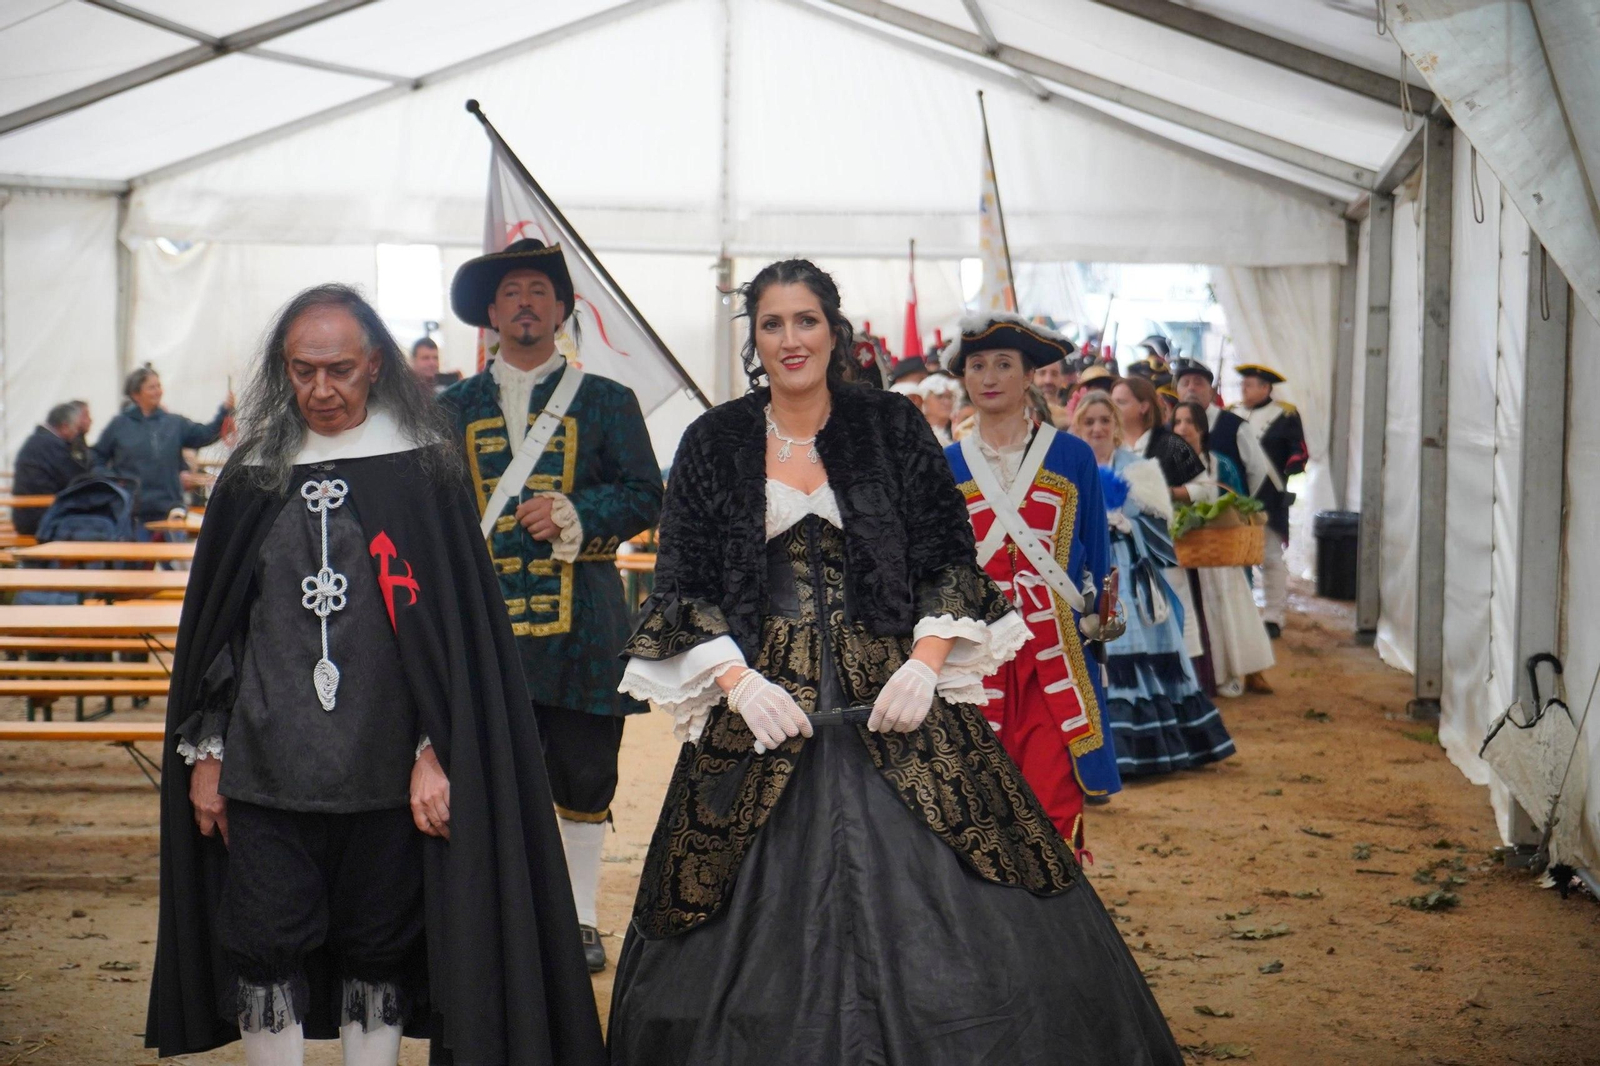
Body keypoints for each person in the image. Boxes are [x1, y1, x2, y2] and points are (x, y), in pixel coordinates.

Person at [609, 259, 1181, 1066]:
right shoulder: (714, 440)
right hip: (765, 706)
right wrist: (738, 682)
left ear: (833, 329)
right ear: (755, 338)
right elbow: (678, 589)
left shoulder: (892, 426)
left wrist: (925, 661)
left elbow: (950, 558)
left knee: (982, 896)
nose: (790, 339)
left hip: (899, 694)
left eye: (805, 320)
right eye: (772, 324)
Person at [147, 285, 605, 1066]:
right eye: (302, 371)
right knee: (266, 949)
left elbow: (447, 643)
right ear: (281, 369)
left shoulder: (420, 472)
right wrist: (209, 754)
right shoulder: (254, 473)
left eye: (340, 370)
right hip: (265, 770)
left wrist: (436, 749)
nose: (321, 390)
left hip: (389, 772)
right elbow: (222, 634)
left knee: (377, 950)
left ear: (376, 366)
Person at [441, 238, 662, 974]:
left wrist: (574, 509)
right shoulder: (448, 410)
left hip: (583, 628)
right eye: (511, 293)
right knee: (485, 773)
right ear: (491, 314)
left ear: (564, 309)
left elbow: (643, 495)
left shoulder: (607, 401)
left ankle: (577, 917)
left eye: (540, 289)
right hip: (482, 628)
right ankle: (492, 917)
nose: (526, 303)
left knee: (584, 776)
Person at [942, 312, 1121, 853]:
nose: (990, 376)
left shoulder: (1072, 456)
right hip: (977, 659)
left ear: (1028, 377)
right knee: (979, 799)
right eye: (977, 366)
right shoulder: (946, 464)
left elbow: (1097, 553)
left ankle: (1056, 928)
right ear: (965, 379)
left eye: (1004, 364)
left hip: (1056, 655)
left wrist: (1102, 621)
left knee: (1052, 797)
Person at [1072, 393, 1235, 777]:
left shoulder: (1140, 468)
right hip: (1083, 575)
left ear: (1115, 427)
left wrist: (1126, 521)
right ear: (1078, 427)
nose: (1097, 428)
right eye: (1089, 422)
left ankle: (1148, 751)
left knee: (1136, 647)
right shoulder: (1067, 469)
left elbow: (1160, 519)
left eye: (1104, 421)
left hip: (1130, 573)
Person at [1171, 402, 1275, 697]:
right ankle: (1210, 674)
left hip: (1220, 551)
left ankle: (1251, 669)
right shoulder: (1165, 464)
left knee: (1235, 611)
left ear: (1202, 429)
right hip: (1186, 553)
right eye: (1177, 422)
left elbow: (1240, 499)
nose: (1183, 428)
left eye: (1190, 421)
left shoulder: (1221, 464)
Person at [1112, 375, 1207, 660]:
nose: (1113, 407)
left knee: (1176, 599)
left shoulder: (1171, 444)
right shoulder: (1110, 445)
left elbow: (1206, 491)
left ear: (1143, 406)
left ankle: (1187, 665)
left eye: (1121, 401)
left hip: (1165, 542)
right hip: (1121, 547)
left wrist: (1166, 493)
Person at [93, 366, 232, 524]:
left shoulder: (175, 423)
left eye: (159, 386)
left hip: (169, 509)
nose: (158, 391)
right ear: (135, 394)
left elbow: (205, 434)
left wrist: (224, 412)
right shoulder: (118, 425)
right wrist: (110, 479)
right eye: (151, 387)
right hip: (131, 511)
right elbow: (97, 457)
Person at [1232, 364, 1308, 639]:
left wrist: (1293, 465)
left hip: (1269, 497)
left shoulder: (1285, 415)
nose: (1244, 390)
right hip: (1234, 497)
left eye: (1250, 385)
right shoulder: (1232, 414)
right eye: (1243, 385)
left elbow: (1298, 450)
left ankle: (1274, 615)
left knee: (1271, 558)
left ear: (1266, 388)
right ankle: (1241, 613)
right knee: (1234, 557)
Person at [1172, 359, 1273, 504]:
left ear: (1212, 391)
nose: (1191, 388)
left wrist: (1241, 504)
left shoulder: (1235, 426)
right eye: (1185, 383)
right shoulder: (1168, 430)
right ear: (1177, 391)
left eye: (1198, 383)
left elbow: (1257, 471)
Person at [12, 401, 90, 535]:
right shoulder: (52, 446)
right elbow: (76, 478)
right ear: (65, 426)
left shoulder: (36, 441)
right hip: (42, 518)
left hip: (24, 516)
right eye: (75, 429)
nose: (76, 433)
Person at [918, 369, 960, 445]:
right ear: (924, 400)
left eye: (950, 397)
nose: (947, 402)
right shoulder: (916, 435)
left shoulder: (961, 432)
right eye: (939, 396)